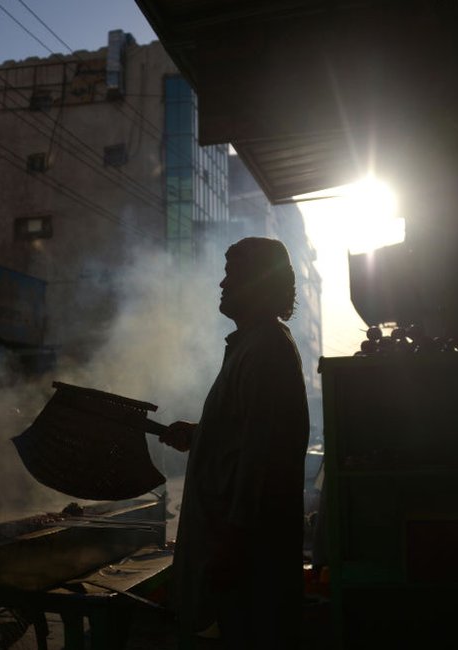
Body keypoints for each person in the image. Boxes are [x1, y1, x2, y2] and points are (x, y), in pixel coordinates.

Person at [159, 237, 310, 649]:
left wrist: (232, 545)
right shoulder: (252, 348)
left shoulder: (265, 351)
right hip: (238, 552)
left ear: (261, 284)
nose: (223, 283)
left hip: (245, 558)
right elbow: (246, 435)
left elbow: (262, 462)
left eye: (234, 273)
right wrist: (200, 433)